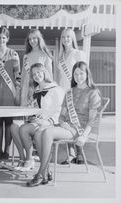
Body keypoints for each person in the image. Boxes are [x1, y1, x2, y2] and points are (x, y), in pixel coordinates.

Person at [26, 61, 102, 187]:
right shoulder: (69, 92)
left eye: (81, 74)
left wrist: (84, 136)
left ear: (87, 74)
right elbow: (62, 115)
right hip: (66, 126)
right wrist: (62, 122)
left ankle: (41, 173)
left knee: (48, 132)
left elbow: (92, 120)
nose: (78, 77)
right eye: (76, 74)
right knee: (39, 131)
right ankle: (46, 172)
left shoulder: (93, 92)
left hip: (80, 129)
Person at [11, 63, 64, 171]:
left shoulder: (56, 89)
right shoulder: (36, 90)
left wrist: (47, 121)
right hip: (36, 121)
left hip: (51, 123)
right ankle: (23, 158)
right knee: (13, 127)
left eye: (38, 72)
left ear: (44, 72)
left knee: (24, 129)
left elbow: (60, 110)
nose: (36, 75)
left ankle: (29, 159)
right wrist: (30, 109)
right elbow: (34, 108)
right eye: (34, 74)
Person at [57, 28, 87, 164]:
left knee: (76, 121)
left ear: (73, 38)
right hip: (63, 92)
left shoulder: (79, 53)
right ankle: (71, 154)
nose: (65, 39)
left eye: (68, 37)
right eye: (63, 37)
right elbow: (59, 77)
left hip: (76, 92)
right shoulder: (61, 56)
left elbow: (84, 74)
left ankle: (80, 153)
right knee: (66, 123)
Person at [0, 26, 21, 160]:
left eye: (4, 37)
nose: (1, 40)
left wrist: (18, 90)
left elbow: (17, 74)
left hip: (9, 91)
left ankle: (7, 150)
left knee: (8, 122)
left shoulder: (13, 54)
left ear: (7, 39)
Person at [20, 29, 53, 106]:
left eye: (34, 38)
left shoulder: (45, 55)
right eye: (30, 39)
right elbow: (23, 73)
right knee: (27, 112)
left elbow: (49, 75)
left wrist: (49, 90)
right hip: (27, 88)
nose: (32, 41)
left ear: (39, 39)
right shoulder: (26, 56)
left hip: (40, 87)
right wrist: (21, 88)